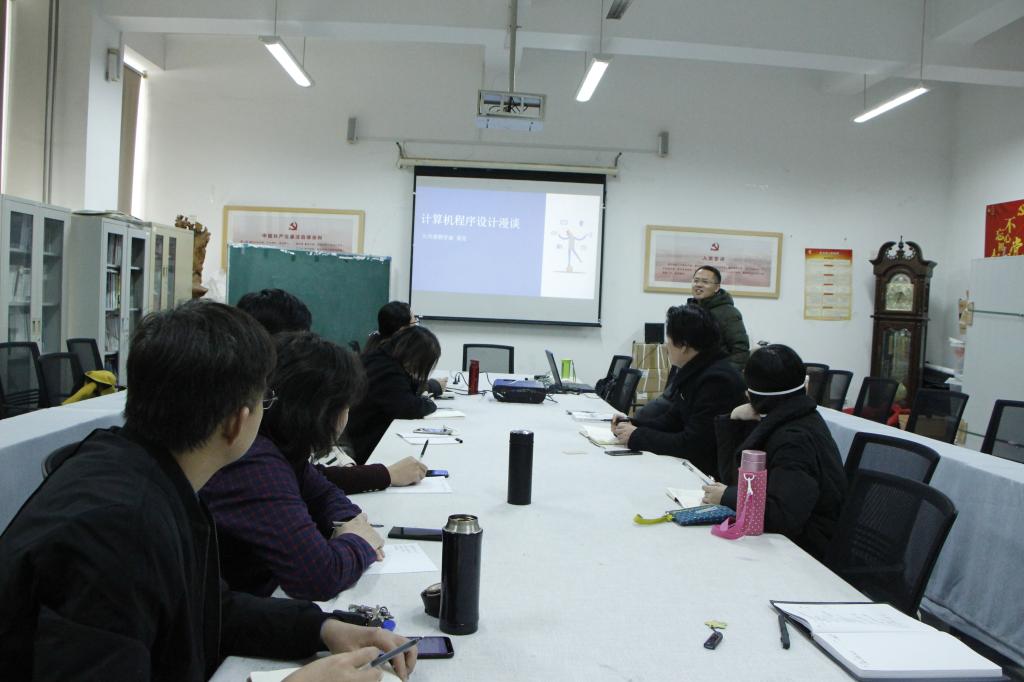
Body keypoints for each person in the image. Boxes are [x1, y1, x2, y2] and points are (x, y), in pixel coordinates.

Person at [0, 301, 416, 681]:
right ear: (237, 423)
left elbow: (209, 608)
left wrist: (321, 628)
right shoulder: (121, 530)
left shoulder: (143, 469)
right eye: (265, 399)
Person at [201, 332, 388, 601]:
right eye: (346, 406)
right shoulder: (256, 463)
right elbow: (320, 577)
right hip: (241, 611)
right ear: (322, 411)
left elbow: (324, 492)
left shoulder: (282, 444)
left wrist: (348, 523)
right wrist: (360, 541)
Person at [236, 289, 426, 493]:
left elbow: (307, 475)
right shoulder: (261, 410)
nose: (303, 349)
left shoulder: (271, 394)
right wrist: (383, 475)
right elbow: (301, 479)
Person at [700, 344, 848, 560]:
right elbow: (734, 478)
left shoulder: (793, 440)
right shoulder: (793, 417)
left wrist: (727, 497)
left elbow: (783, 516)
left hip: (808, 552)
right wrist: (733, 420)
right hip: (796, 540)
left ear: (750, 394)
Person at [612, 304, 746, 476]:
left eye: (668, 340)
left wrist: (637, 436)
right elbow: (671, 421)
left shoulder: (717, 381)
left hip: (710, 476)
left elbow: (693, 445)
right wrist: (632, 424)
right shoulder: (696, 370)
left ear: (683, 345)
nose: (666, 346)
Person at [345, 325, 442, 464]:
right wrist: (429, 403)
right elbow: (408, 407)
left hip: (360, 430)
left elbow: (407, 387)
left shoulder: (381, 356)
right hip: (365, 443)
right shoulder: (388, 370)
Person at [688, 265, 750, 371]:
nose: (698, 285)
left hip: (716, 374)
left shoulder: (729, 313)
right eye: (696, 281)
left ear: (717, 287)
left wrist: (723, 374)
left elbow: (741, 351)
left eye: (705, 282)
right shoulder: (689, 311)